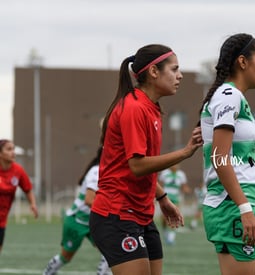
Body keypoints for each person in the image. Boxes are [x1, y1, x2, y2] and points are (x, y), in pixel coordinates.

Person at [89, 44, 203, 275]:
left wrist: (162, 198)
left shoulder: (151, 108)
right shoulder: (134, 107)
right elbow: (137, 166)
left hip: (141, 215)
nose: (180, 75)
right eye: (174, 69)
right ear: (153, 72)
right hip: (116, 215)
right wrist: (185, 152)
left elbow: (133, 166)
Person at [198, 33, 255, 275]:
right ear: (242, 62)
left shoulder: (237, 98)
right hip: (233, 205)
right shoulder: (228, 96)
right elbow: (220, 158)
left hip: (249, 201)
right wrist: (244, 209)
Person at [43, 147, 110, 275]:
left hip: (93, 222)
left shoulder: (109, 172)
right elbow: (89, 200)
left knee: (111, 251)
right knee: (65, 257)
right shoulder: (96, 171)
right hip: (76, 221)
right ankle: (47, 273)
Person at [0, 139, 38, 255]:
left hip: (2, 219)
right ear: (0, 153)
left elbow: (28, 189)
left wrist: (33, 204)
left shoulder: (18, 170)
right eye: (9, 149)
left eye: (13, 149)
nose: (13, 152)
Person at [158, 164, 191, 244]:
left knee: (174, 217)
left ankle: (171, 238)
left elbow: (184, 187)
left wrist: (188, 190)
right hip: (165, 198)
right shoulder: (164, 173)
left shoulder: (181, 174)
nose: (175, 166)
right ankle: (165, 232)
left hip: (176, 199)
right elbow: (160, 185)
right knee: (164, 218)